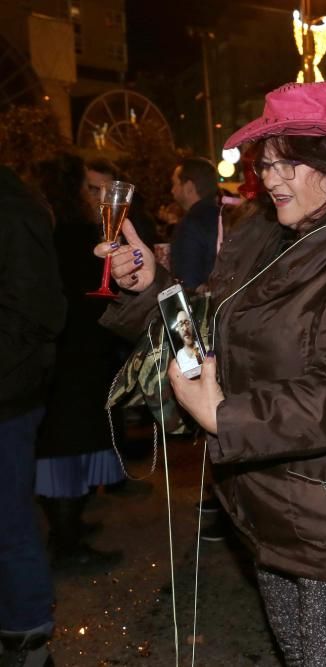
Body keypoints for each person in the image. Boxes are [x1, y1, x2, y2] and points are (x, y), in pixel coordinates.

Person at [95, 78, 326, 665]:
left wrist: (225, 415)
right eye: (264, 163)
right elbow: (210, 325)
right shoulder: (271, 235)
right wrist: (152, 286)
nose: (270, 177)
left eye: (288, 163)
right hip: (268, 508)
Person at [31, 153, 125, 573]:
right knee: (68, 451)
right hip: (76, 359)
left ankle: (66, 530)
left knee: (63, 449)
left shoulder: (43, 231)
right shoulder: (78, 235)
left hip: (59, 361)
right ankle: (66, 543)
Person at [0, 161, 65, 666]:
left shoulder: (14, 207)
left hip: (8, 397)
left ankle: (28, 637)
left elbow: (36, 313)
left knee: (9, 519)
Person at [169, 157, 220, 290]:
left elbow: (187, 282)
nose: (172, 191)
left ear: (189, 187)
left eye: (175, 184)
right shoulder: (226, 217)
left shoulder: (190, 224)